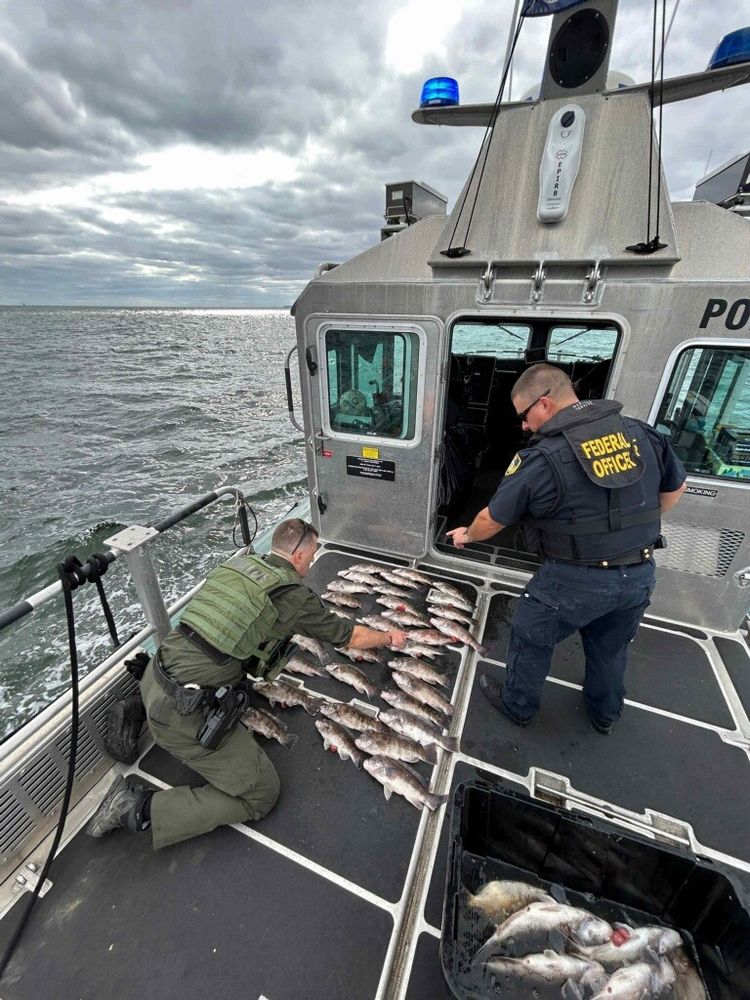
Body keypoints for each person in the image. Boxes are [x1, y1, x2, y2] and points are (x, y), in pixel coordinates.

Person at [87, 518, 407, 848]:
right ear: (297, 557)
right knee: (262, 795)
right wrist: (390, 636)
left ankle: (140, 708)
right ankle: (136, 807)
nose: (312, 564)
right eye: (312, 557)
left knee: (225, 668)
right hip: (179, 713)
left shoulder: (240, 565)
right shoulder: (293, 595)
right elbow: (350, 636)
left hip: (154, 673)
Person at [447, 364, 686, 734]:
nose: (524, 427)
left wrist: (467, 536)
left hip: (573, 579)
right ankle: (604, 715)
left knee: (530, 636)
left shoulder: (542, 458)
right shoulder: (641, 433)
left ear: (544, 403)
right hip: (639, 571)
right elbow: (673, 491)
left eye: (525, 417)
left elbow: (493, 518)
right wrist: (630, 533)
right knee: (610, 649)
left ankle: (518, 706)